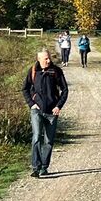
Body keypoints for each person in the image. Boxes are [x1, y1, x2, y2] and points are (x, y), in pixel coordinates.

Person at [21, 48, 69, 178]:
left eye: (49, 58)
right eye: (46, 58)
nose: (48, 60)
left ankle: (44, 167)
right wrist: (31, 104)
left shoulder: (56, 71)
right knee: (36, 137)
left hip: (52, 112)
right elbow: (25, 89)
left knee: (49, 140)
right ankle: (35, 167)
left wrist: (58, 106)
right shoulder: (32, 71)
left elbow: (65, 90)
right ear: (39, 59)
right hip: (36, 110)